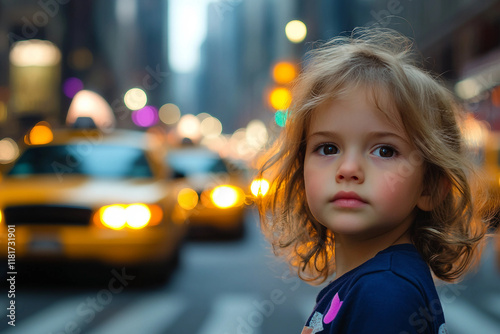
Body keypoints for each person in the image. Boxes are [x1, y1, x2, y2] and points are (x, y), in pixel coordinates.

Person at [255, 28, 488, 334]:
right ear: (301, 170)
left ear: (430, 186)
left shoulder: (384, 294)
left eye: (384, 150)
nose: (349, 169)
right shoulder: (372, 283)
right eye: (328, 148)